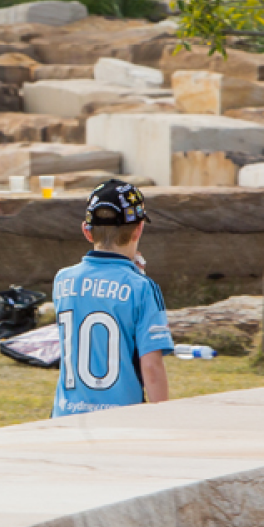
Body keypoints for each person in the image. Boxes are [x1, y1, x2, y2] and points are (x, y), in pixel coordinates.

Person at [50, 178, 173, 417]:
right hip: (120, 420)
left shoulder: (62, 281)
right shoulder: (142, 288)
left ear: (87, 231)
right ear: (139, 228)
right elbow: (151, 366)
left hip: (65, 419)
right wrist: (163, 420)